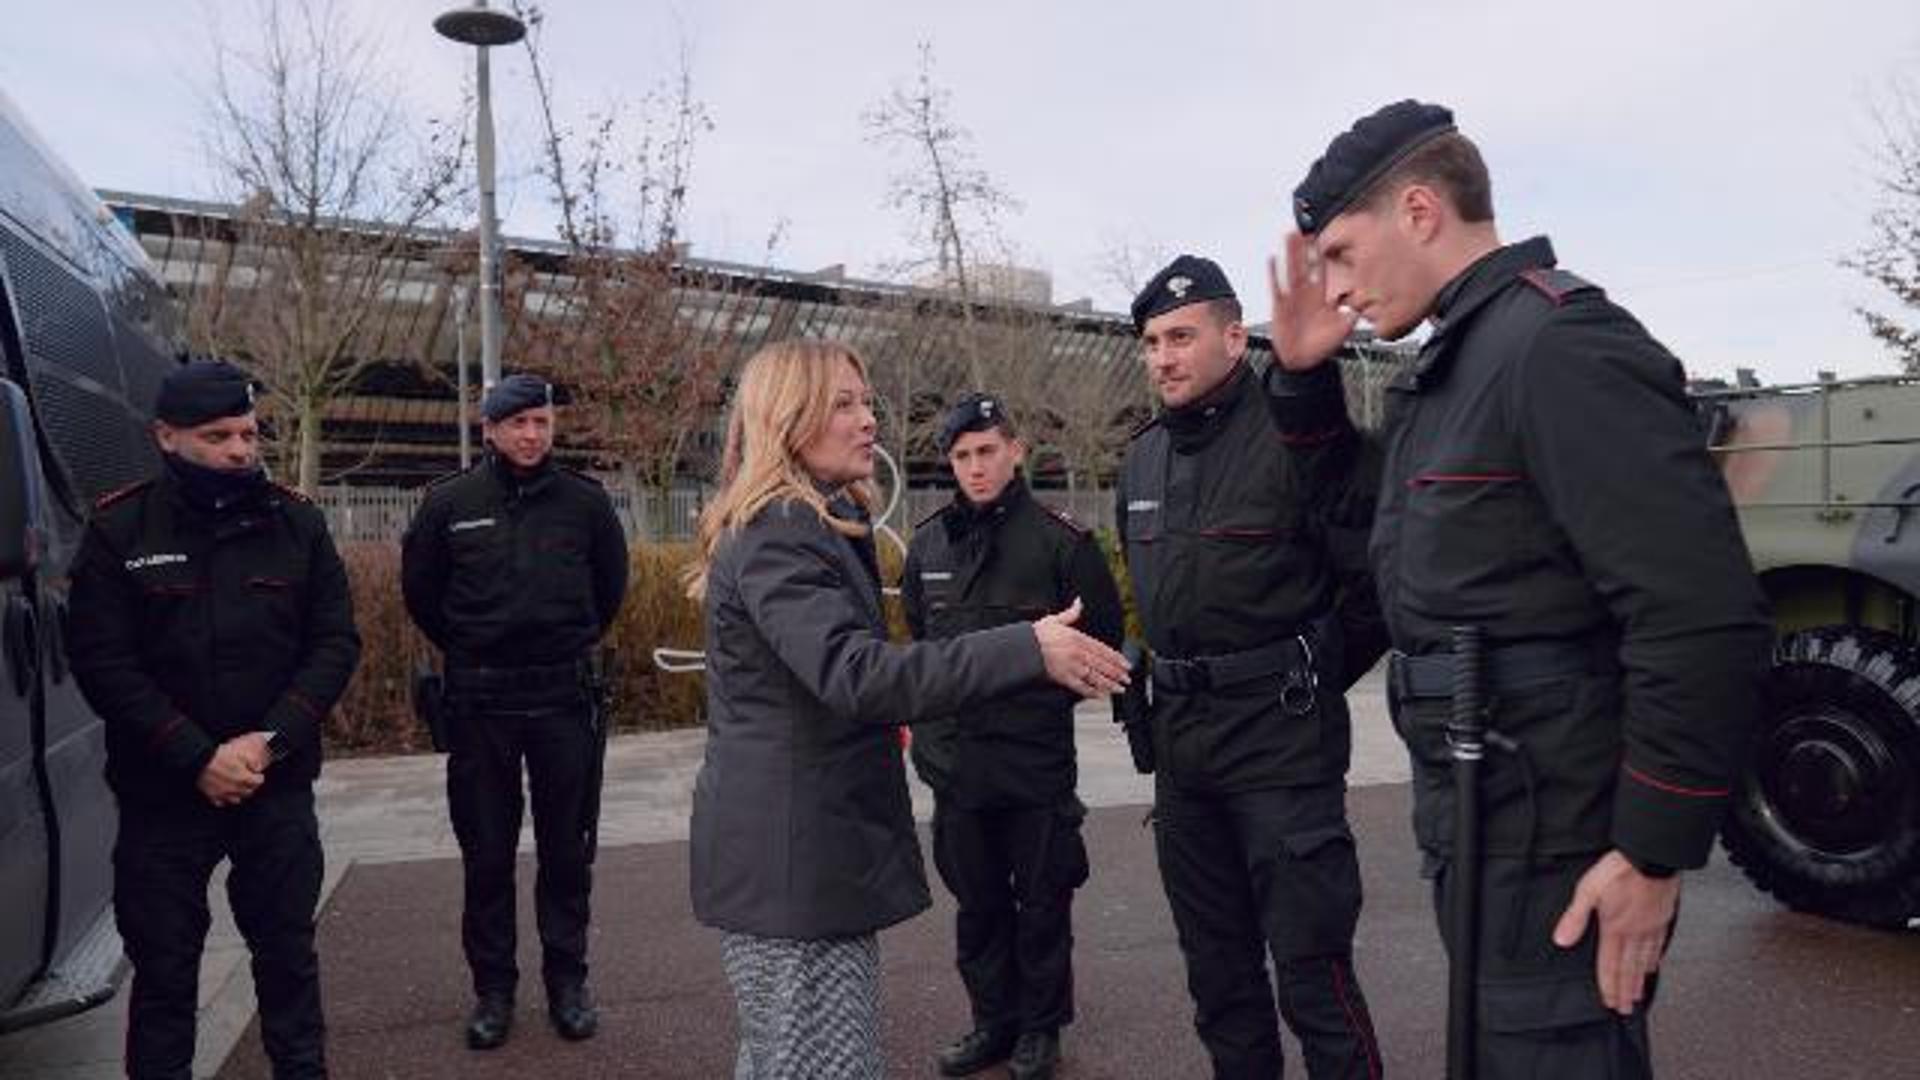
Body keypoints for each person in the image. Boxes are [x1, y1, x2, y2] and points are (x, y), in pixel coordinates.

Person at [1275, 100, 1772, 1077]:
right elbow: (1380, 544)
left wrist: (1653, 853)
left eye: (1338, 253)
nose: (1333, 288)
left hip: (1562, 847)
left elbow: (1699, 613)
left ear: (1420, 211)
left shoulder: (1557, 345)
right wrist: (1300, 383)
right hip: (1486, 820)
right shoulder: (1458, 365)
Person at [684, 339, 1131, 1080]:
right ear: (787, 418)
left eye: (867, 402)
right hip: (796, 869)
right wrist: (1026, 645)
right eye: (843, 404)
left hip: (809, 860)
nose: (870, 421)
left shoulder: (810, 521)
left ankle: (1033, 1028)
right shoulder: (781, 528)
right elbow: (858, 673)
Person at [1117, 255, 1386, 1079]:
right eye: (1152, 343)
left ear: (1234, 339)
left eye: (1181, 337)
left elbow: (1374, 583)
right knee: (1220, 979)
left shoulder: (1292, 438)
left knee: (1313, 976)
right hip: (1184, 753)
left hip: (1281, 748)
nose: (1163, 358)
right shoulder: (1142, 459)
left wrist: (1307, 671)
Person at [67, 360, 360, 1080]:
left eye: (249, 434)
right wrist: (197, 756)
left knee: (287, 960)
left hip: (274, 787)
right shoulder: (120, 529)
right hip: (164, 795)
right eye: (218, 436)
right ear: (166, 436)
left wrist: (268, 742)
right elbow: (104, 661)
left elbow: (334, 643)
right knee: (165, 975)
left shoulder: (296, 522)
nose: (239, 450)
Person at [400, 373, 630, 1050]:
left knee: (566, 853)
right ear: (491, 429)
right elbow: (421, 593)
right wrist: (476, 647)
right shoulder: (449, 503)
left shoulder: (585, 504)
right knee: (487, 856)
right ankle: (493, 992)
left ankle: (568, 985)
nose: (532, 435)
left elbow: (610, 589)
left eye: (542, 422)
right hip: (480, 701)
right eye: (518, 423)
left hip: (562, 698)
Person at [902, 394, 1126, 1080]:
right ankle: (991, 1022)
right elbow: (922, 639)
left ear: (1016, 451)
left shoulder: (1062, 543)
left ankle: (1040, 1029)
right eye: (962, 456)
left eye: (987, 451)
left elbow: (1102, 643)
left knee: (1042, 904)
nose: (975, 467)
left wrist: (1035, 702)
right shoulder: (929, 544)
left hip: (1033, 764)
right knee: (978, 907)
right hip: (957, 766)